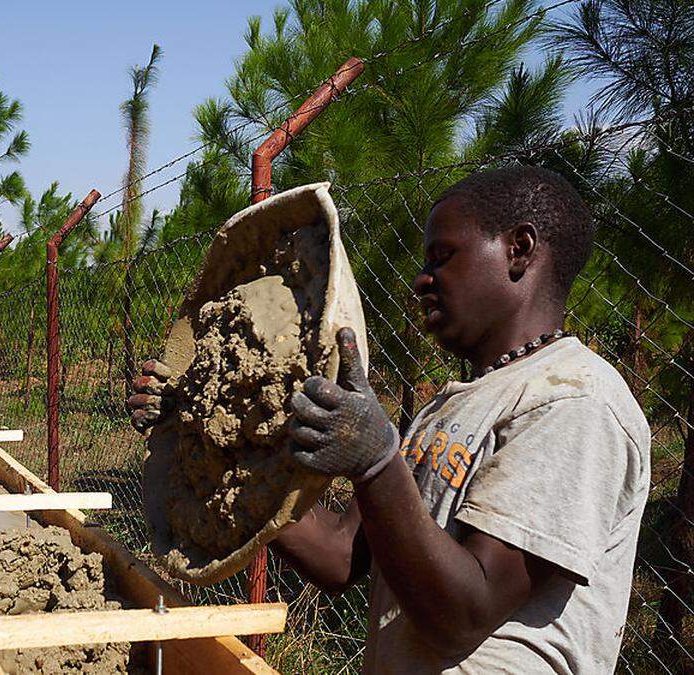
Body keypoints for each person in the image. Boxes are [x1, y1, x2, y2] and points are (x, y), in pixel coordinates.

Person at [129, 166, 650, 673]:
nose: (423, 279)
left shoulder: (572, 399)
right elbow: (339, 557)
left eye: (443, 256)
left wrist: (378, 462)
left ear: (519, 249)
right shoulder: (447, 407)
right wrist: (214, 443)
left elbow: (464, 615)